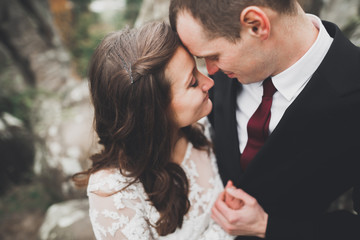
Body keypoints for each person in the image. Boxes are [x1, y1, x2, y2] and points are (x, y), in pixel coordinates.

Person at [169, 0, 360, 239]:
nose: (210, 72)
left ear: (256, 25)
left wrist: (269, 227)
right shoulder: (230, 67)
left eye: (214, 56)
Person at [72, 21, 235, 240]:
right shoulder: (112, 192)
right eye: (192, 83)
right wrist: (226, 229)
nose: (209, 82)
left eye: (198, 69)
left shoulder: (201, 126)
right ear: (154, 112)